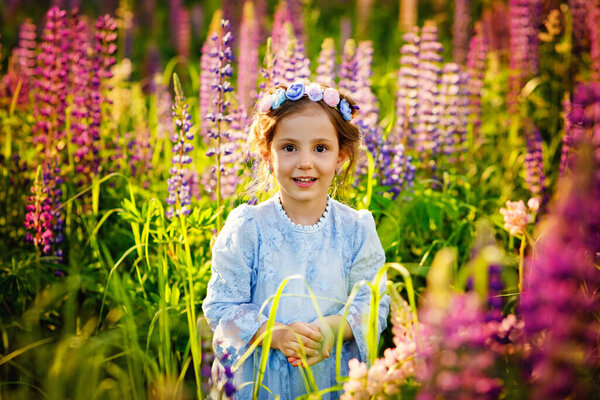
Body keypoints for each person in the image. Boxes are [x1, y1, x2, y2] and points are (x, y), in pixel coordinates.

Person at [202, 81, 390, 399]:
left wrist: (333, 328)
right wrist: (273, 334)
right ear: (268, 153)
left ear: (341, 156)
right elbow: (222, 307)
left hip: (329, 378)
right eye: (289, 147)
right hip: (260, 382)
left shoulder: (356, 229)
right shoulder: (248, 227)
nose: (305, 161)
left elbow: (373, 305)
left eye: (320, 148)